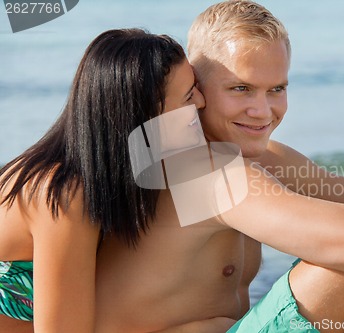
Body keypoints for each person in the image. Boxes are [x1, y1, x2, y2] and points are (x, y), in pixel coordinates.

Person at [93, 2, 344, 333]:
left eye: (277, 89)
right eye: (241, 89)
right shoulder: (195, 169)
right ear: (197, 87)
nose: (262, 110)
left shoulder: (265, 158)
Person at [0, 28, 205, 332]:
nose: (201, 102)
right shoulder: (65, 193)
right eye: (189, 95)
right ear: (146, 114)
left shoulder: (95, 177)